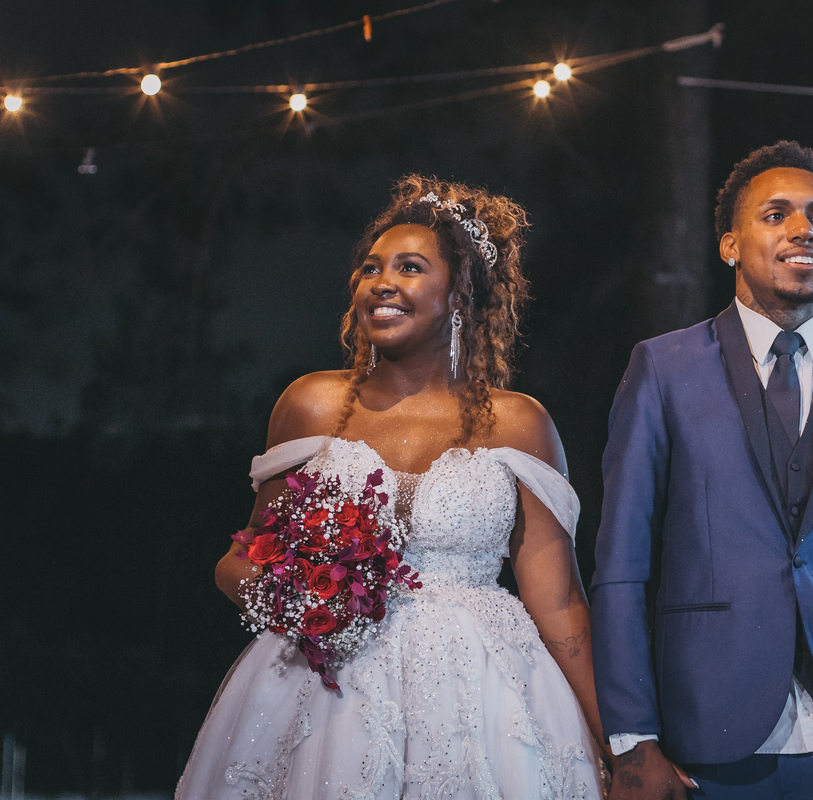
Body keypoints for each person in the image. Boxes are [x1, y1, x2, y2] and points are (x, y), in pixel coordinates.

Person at [176, 175, 607, 799]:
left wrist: (623, 745)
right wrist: (298, 595)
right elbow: (242, 557)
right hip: (323, 691)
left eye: (409, 267)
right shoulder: (311, 405)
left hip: (481, 697)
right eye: (370, 268)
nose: (381, 282)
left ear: (458, 294)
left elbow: (560, 602)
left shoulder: (518, 423)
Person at [591, 142, 813, 799]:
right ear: (729, 245)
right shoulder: (663, 369)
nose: (805, 229)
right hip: (708, 735)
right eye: (776, 215)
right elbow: (622, 566)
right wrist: (633, 738)